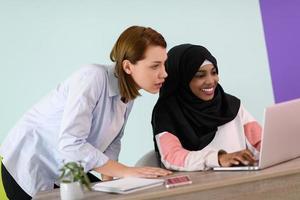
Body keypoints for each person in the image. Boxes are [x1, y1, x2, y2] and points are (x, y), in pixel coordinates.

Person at [0, 25, 172, 199]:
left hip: (66, 170)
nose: (164, 73)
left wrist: (111, 184)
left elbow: (113, 142)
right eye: (155, 66)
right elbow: (72, 144)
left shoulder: (128, 94)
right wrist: (127, 172)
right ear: (128, 66)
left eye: (164, 64)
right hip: (30, 164)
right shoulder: (92, 77)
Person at [151, 44, 261, 171]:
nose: (210, 81)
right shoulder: (166, 112)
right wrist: (218, 159)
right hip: (197, 187)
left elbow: (260, 143)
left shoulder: (230, 104)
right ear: (181, 79)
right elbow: (172, 156)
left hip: (241, 181)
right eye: (200, 75)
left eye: (214, 72)